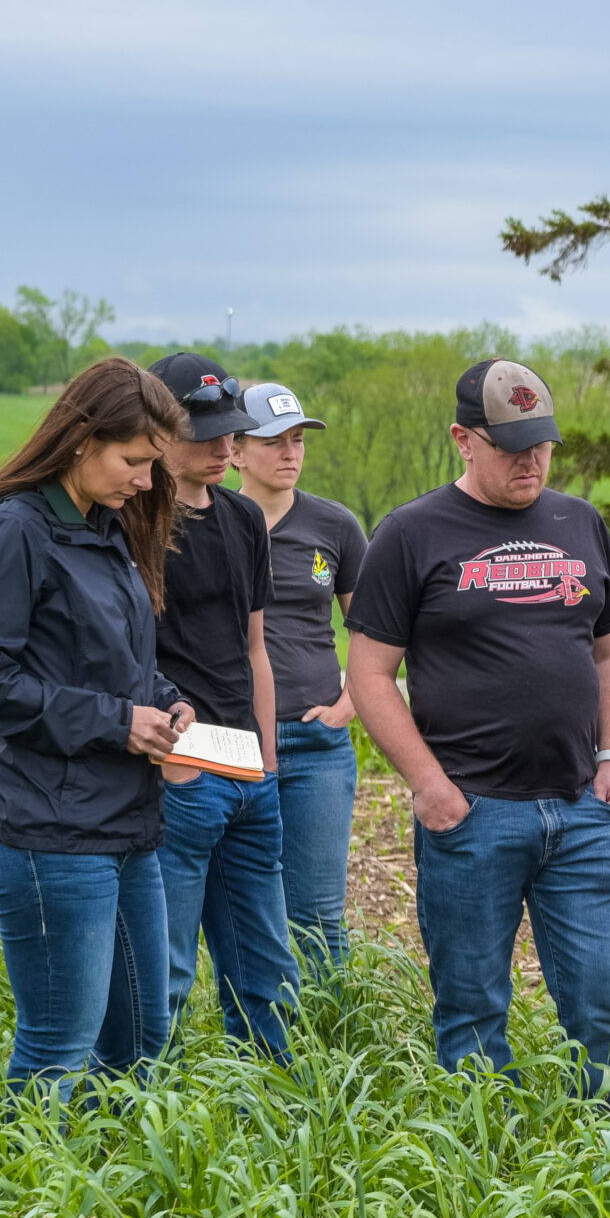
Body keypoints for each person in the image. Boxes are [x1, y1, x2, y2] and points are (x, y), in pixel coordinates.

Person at [347, 358, 610, 1106]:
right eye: (512, 443)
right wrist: (431, 786)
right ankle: (482, 1168)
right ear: (463, 439)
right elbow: (370, 674)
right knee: (474, 1010)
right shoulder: (412, 533)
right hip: (472, 814)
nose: (532, 458)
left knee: (607, 1002)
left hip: (582, 809)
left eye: (542, 441)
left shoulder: (578, 520)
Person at [0, 357, 194, 1100]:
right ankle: (33, 1209)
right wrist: (119, 722)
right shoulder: (14, 530)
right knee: (59, 1050)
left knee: (143, 1037)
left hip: (124, 823)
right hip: (44, 829)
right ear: (82, 439)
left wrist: (166, 701)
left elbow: (111, 661)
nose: (145, 482)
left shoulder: (104, 526)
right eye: (134, 461)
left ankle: (109, 1202)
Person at [147, 352, 302, 1060]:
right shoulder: (134, 522)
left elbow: (255, 648)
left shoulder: (243, 519)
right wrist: (175, 763)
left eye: (229, 432)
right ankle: (149, 1105)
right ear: (156, 431)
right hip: (178, 768)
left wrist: (267, 762)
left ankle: (269, 1097)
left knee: (265, 966)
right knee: (169, 963)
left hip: (246, 769)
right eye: (202, 432)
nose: (223, 446)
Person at [230, 381, 368, 982]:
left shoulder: (334, 526)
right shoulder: (210, 523)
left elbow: (373, 631)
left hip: (315, 743)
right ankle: (259, 1039)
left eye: (297, 440)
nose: (290, 453)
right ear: (234, 450)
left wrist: (348, 706)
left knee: (316, 914)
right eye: (273, 442)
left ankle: (327, 1033)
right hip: (229, 743)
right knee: (243, 908)